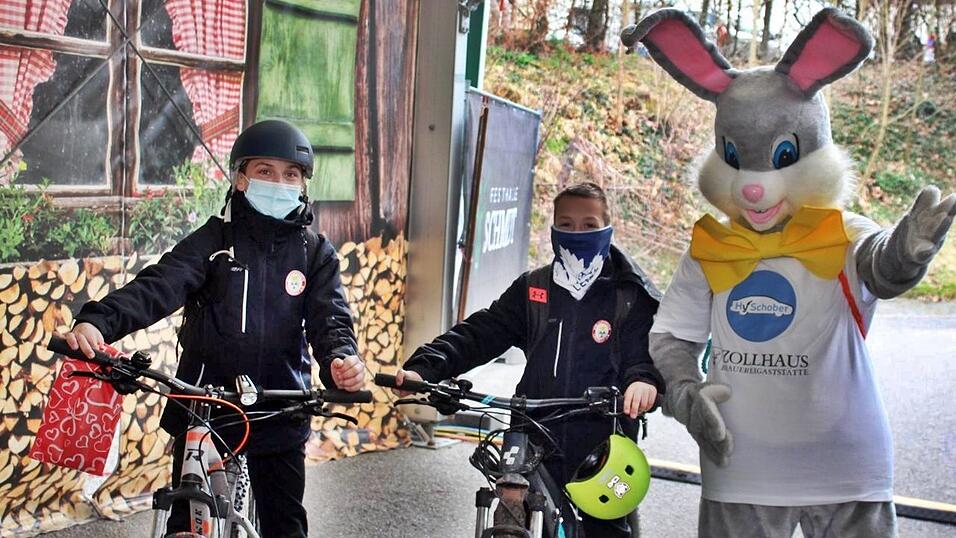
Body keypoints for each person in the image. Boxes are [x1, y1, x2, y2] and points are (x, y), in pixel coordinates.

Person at [61, 119, 364, 538]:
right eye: (265, 172)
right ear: (241, 179)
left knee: (286, 526)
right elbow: (159, 284)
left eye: (290, 174)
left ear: (303, 185)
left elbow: (330, 319)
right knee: (187, 523)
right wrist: (99, 322)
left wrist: (340, 360)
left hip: (282, 408)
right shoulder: (213, 240)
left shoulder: (314, 252)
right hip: (205, 406)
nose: (279, 182)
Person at [395, 182, 665, 537]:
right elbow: (481, 332)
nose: (577, 233)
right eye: (565, 224)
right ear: (552, 227)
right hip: (532, 431)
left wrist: (643, 381)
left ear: (609, 226)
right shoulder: (533, 289)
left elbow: (645, 356)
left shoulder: (631, 295)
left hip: (603, 437)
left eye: (589, 224)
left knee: (606, 529)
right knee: (509, 510)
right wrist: (425, 367)